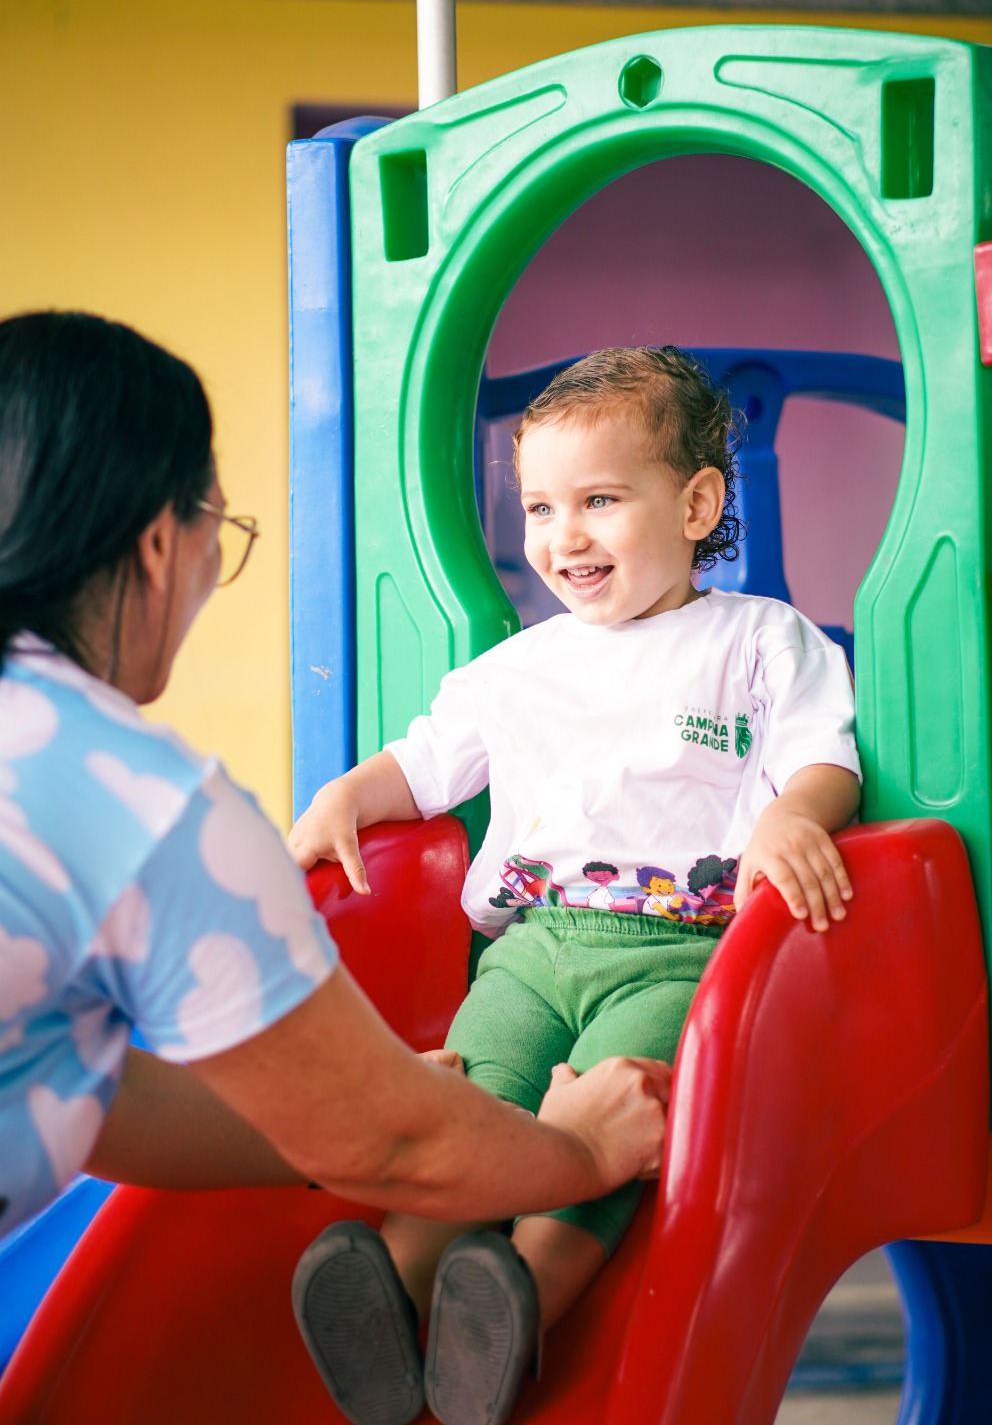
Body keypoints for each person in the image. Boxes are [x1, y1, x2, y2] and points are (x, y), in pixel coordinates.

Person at [0, 314, 670, 1285]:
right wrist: (581, 1152)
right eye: (216, 535)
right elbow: (397, 1148)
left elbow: (75, 1092)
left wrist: (347, 1115)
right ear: (156, 544)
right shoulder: (143, 804)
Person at [288, 345, 863, 1425]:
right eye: (541, 507)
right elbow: (427, 759)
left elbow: (821, 756)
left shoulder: (756, 640)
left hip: (676, 948)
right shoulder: (520, 664)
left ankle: (515, 1308)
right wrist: (346, 797)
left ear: (696, 503)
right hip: (527, 947)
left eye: (600, 500)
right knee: (469, 1097)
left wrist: (793, 814)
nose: (563, 537)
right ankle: (395, 1287)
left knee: (611, 1102)